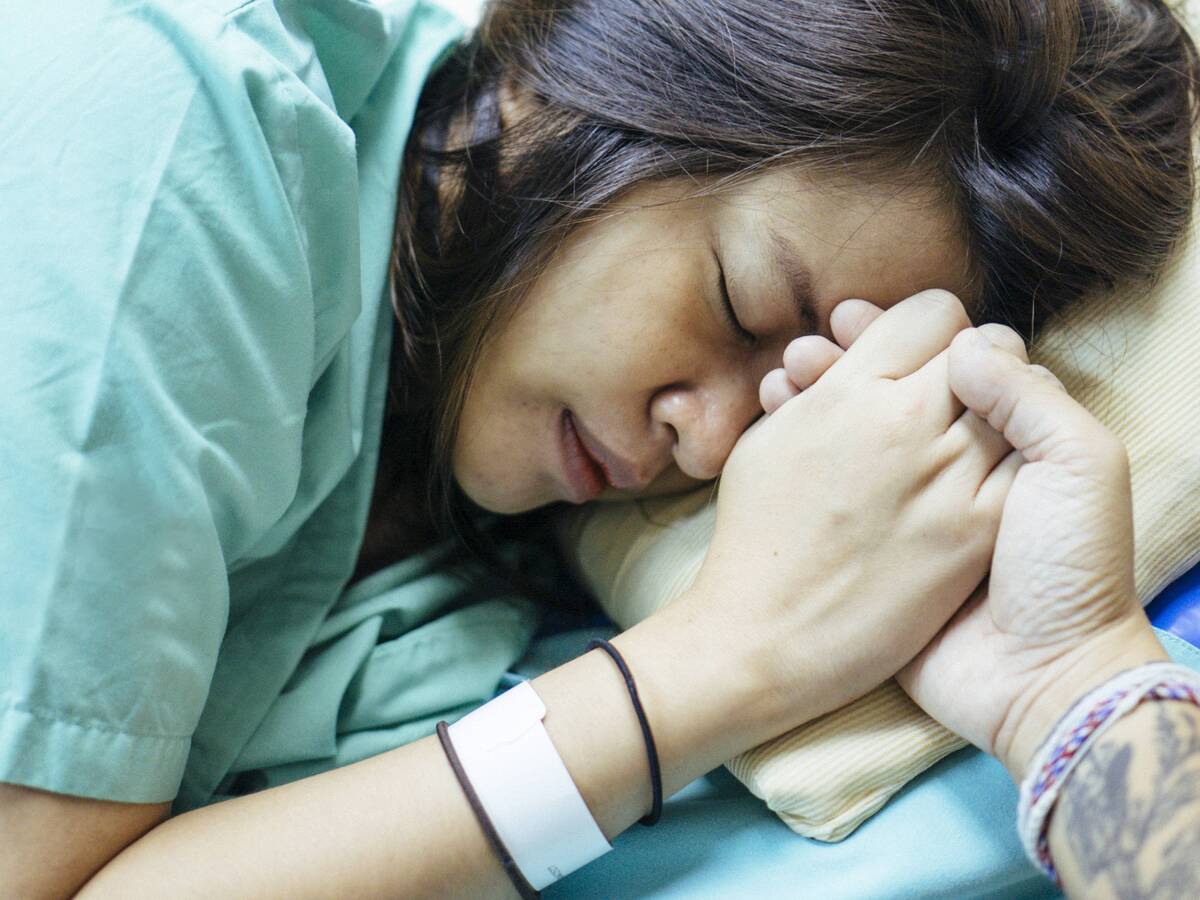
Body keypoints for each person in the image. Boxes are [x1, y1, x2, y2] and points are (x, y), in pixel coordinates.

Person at [0, 0, 1196, 897]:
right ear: (586, 68)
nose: (710, 442)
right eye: (736, 303)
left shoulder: (473, 572)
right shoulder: (180, 139)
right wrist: (718, 662)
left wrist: (1070, 687)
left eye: (788, 405)